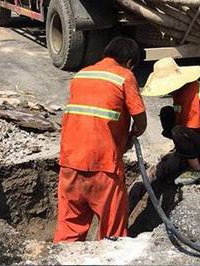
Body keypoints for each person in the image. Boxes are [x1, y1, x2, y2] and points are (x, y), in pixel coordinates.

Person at [54, 37, 147, 242]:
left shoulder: (81, 75)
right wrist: (132, 135)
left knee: (69, 230)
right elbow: (141, 121)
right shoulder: (124, 76)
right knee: (112, 236)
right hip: (104, 167)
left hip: (70, 164)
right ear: (130, 62)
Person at [141, 57, 200, 184]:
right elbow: (182, 119)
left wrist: (181, 143)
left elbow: (189, 128)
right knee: (167, 113)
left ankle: (196, 169)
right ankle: (183, 153)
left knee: (178, 132)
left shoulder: (190, 94)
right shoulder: (181, 90)